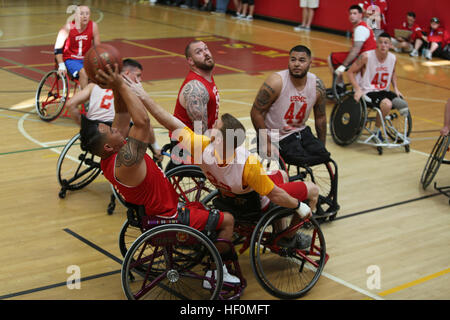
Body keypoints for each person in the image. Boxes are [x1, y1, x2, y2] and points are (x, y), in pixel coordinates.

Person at [79, 64, 240, 287]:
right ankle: (214, 274)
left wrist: (117, 86)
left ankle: (206, 250)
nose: (116, 129)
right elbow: (142, 122)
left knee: (208, 210)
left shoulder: (111, 154)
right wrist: (122, 86)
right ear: (107, 146)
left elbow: (123, 113)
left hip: (160, 212)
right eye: (112, 131)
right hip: (167, 217)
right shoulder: (125, 161)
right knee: (228, 220)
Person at [130, 85, 319, 251]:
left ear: (219, 139)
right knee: (312, 189)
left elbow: (169, 121)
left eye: (216, 125)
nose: (212, 125)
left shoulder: (202, 147)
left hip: (228, 199)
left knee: (282, 175)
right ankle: (288, 237)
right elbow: (275, 195)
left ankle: (280, 226)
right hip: (254, 205)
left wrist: (144, 96)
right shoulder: (248, 164)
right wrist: (299, 206)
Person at [250, 45, 330, 171]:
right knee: (300, 158)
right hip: (275, 135)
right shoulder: (276, 82)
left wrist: (321, 144)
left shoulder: (317, 86)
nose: (296, 64)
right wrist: (266, 142)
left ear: (310, 63)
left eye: (301, 60)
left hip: (300, 132)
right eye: (293, 60)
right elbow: (256, 113)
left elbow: (320, 117)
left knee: (324, 155)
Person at [66, 59, 163, 162]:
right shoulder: (130, 91)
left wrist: (85, 127)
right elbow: (144, 120)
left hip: (94, 131)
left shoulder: (93, 86)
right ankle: (156, 152)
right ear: (127, 73)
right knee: (145, 125)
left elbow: (70, 105)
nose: (141, 79)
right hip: (115, 130)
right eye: (138, 75)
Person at [347, 32, 405, 141]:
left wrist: (396, 88)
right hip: (367, 91)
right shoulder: (366, 56)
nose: (383, 45)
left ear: (390, 45)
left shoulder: (393, 58)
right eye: (381, 42)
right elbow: (350, 72)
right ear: (377, 44)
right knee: (387, 104)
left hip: (383, 91)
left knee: (403, 104)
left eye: (386, 43)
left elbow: (393, 73)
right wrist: (358, 89)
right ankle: (376, 131)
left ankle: (389, 126)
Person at [327, 4, 377, 95]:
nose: (352, 16)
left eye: (355, 13)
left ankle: (340, 86)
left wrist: (343, 66)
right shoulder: (364, 26)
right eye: (350, 14)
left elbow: (355, 50)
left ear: (360, 15)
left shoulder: (360, 29)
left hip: (364, 58)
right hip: (370, 56)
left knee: (331, 57)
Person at [174, 40, 220, 134]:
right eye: (199, 52)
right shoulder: (196, 88)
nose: (206, 53)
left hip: (205, 140)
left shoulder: (206, 77)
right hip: (188, 146)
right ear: (191, 61)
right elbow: (200, 132)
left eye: (206, 49)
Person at [54, 5, 100, 89]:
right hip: (71, 59)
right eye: (81, 14)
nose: (85, 16)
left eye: (87, 13)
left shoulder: (93, 26)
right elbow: (57, 49)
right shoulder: (67, 28)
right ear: (75, 16)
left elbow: (98, 48)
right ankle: (84, 98)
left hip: (86, 59)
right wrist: (61, 64)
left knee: (101, 72)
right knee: (83, 72)